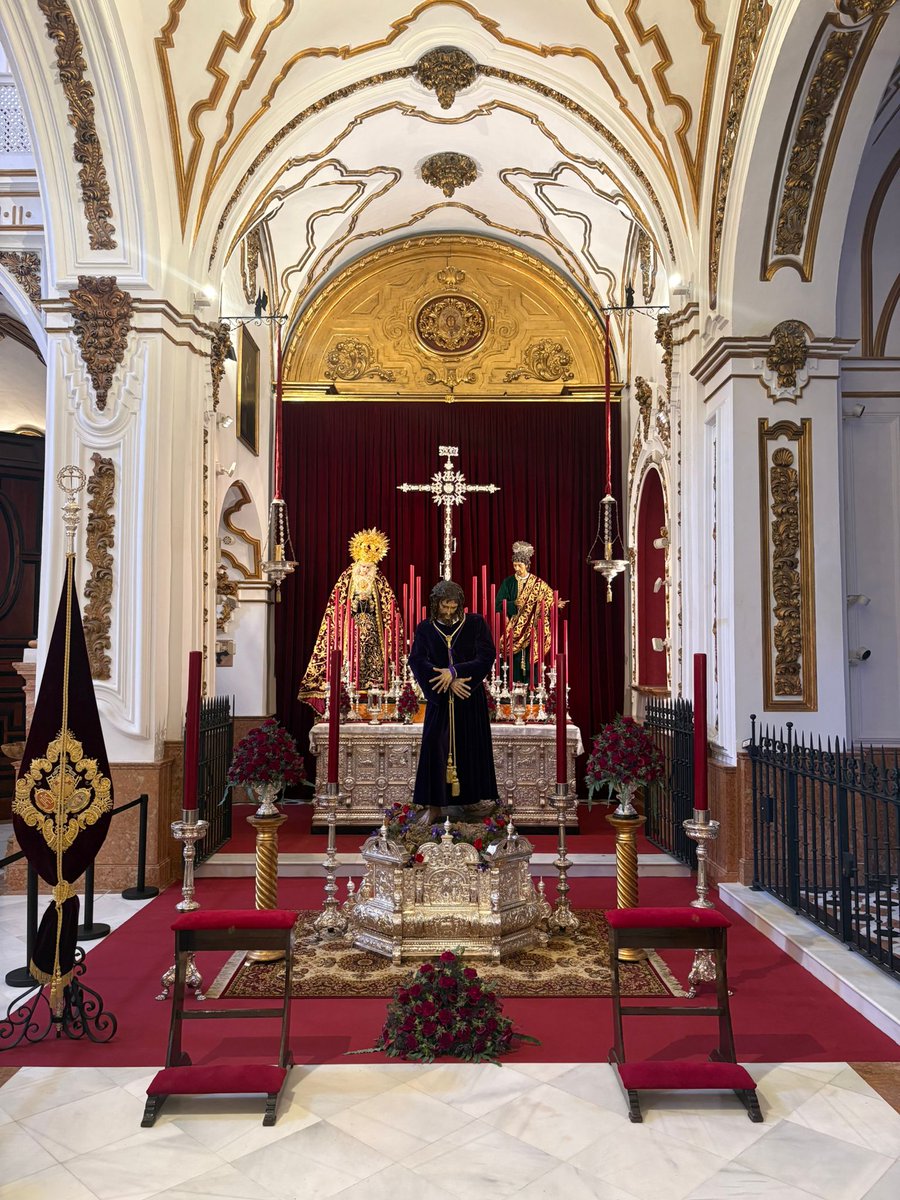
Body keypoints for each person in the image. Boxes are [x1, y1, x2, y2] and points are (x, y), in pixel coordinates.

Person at [408, 579, 497, 823]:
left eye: (453, 606)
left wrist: (456, 672)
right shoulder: (426, 628)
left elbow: (487, 654)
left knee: (471, 745)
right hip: (440, 700)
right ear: (435, 605)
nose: (448, 611)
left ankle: (472, 801)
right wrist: (444, 680)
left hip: (469, 697)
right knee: (436, 747)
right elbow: (417, 660)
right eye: (444, 607)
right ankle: (434, 805)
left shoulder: (476, 624)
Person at [298, 528, 402, 712]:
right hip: (351, 632)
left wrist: (369, 603)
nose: (364, 570)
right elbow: (338, 606)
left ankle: (376, 688)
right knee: (350, 660)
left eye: (368, 567)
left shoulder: (378, 580)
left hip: (373, 633)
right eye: (362, 566)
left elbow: (387, 607)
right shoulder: (347, 578)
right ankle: (349, 690)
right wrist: (354, 604)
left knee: (375, 659)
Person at [495, 540, 563, 683]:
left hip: (533, 627)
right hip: (514, 628)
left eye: (520, 565)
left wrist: (555, 604)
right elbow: (498, 604)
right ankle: (512, 688)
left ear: (527, 565)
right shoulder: (508, 582)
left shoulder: (537, 583)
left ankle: (532, 690)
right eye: (514, 565)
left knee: (532, 659)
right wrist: (513, 604)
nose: (517, 568)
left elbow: (548, 598)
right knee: (513, 658)